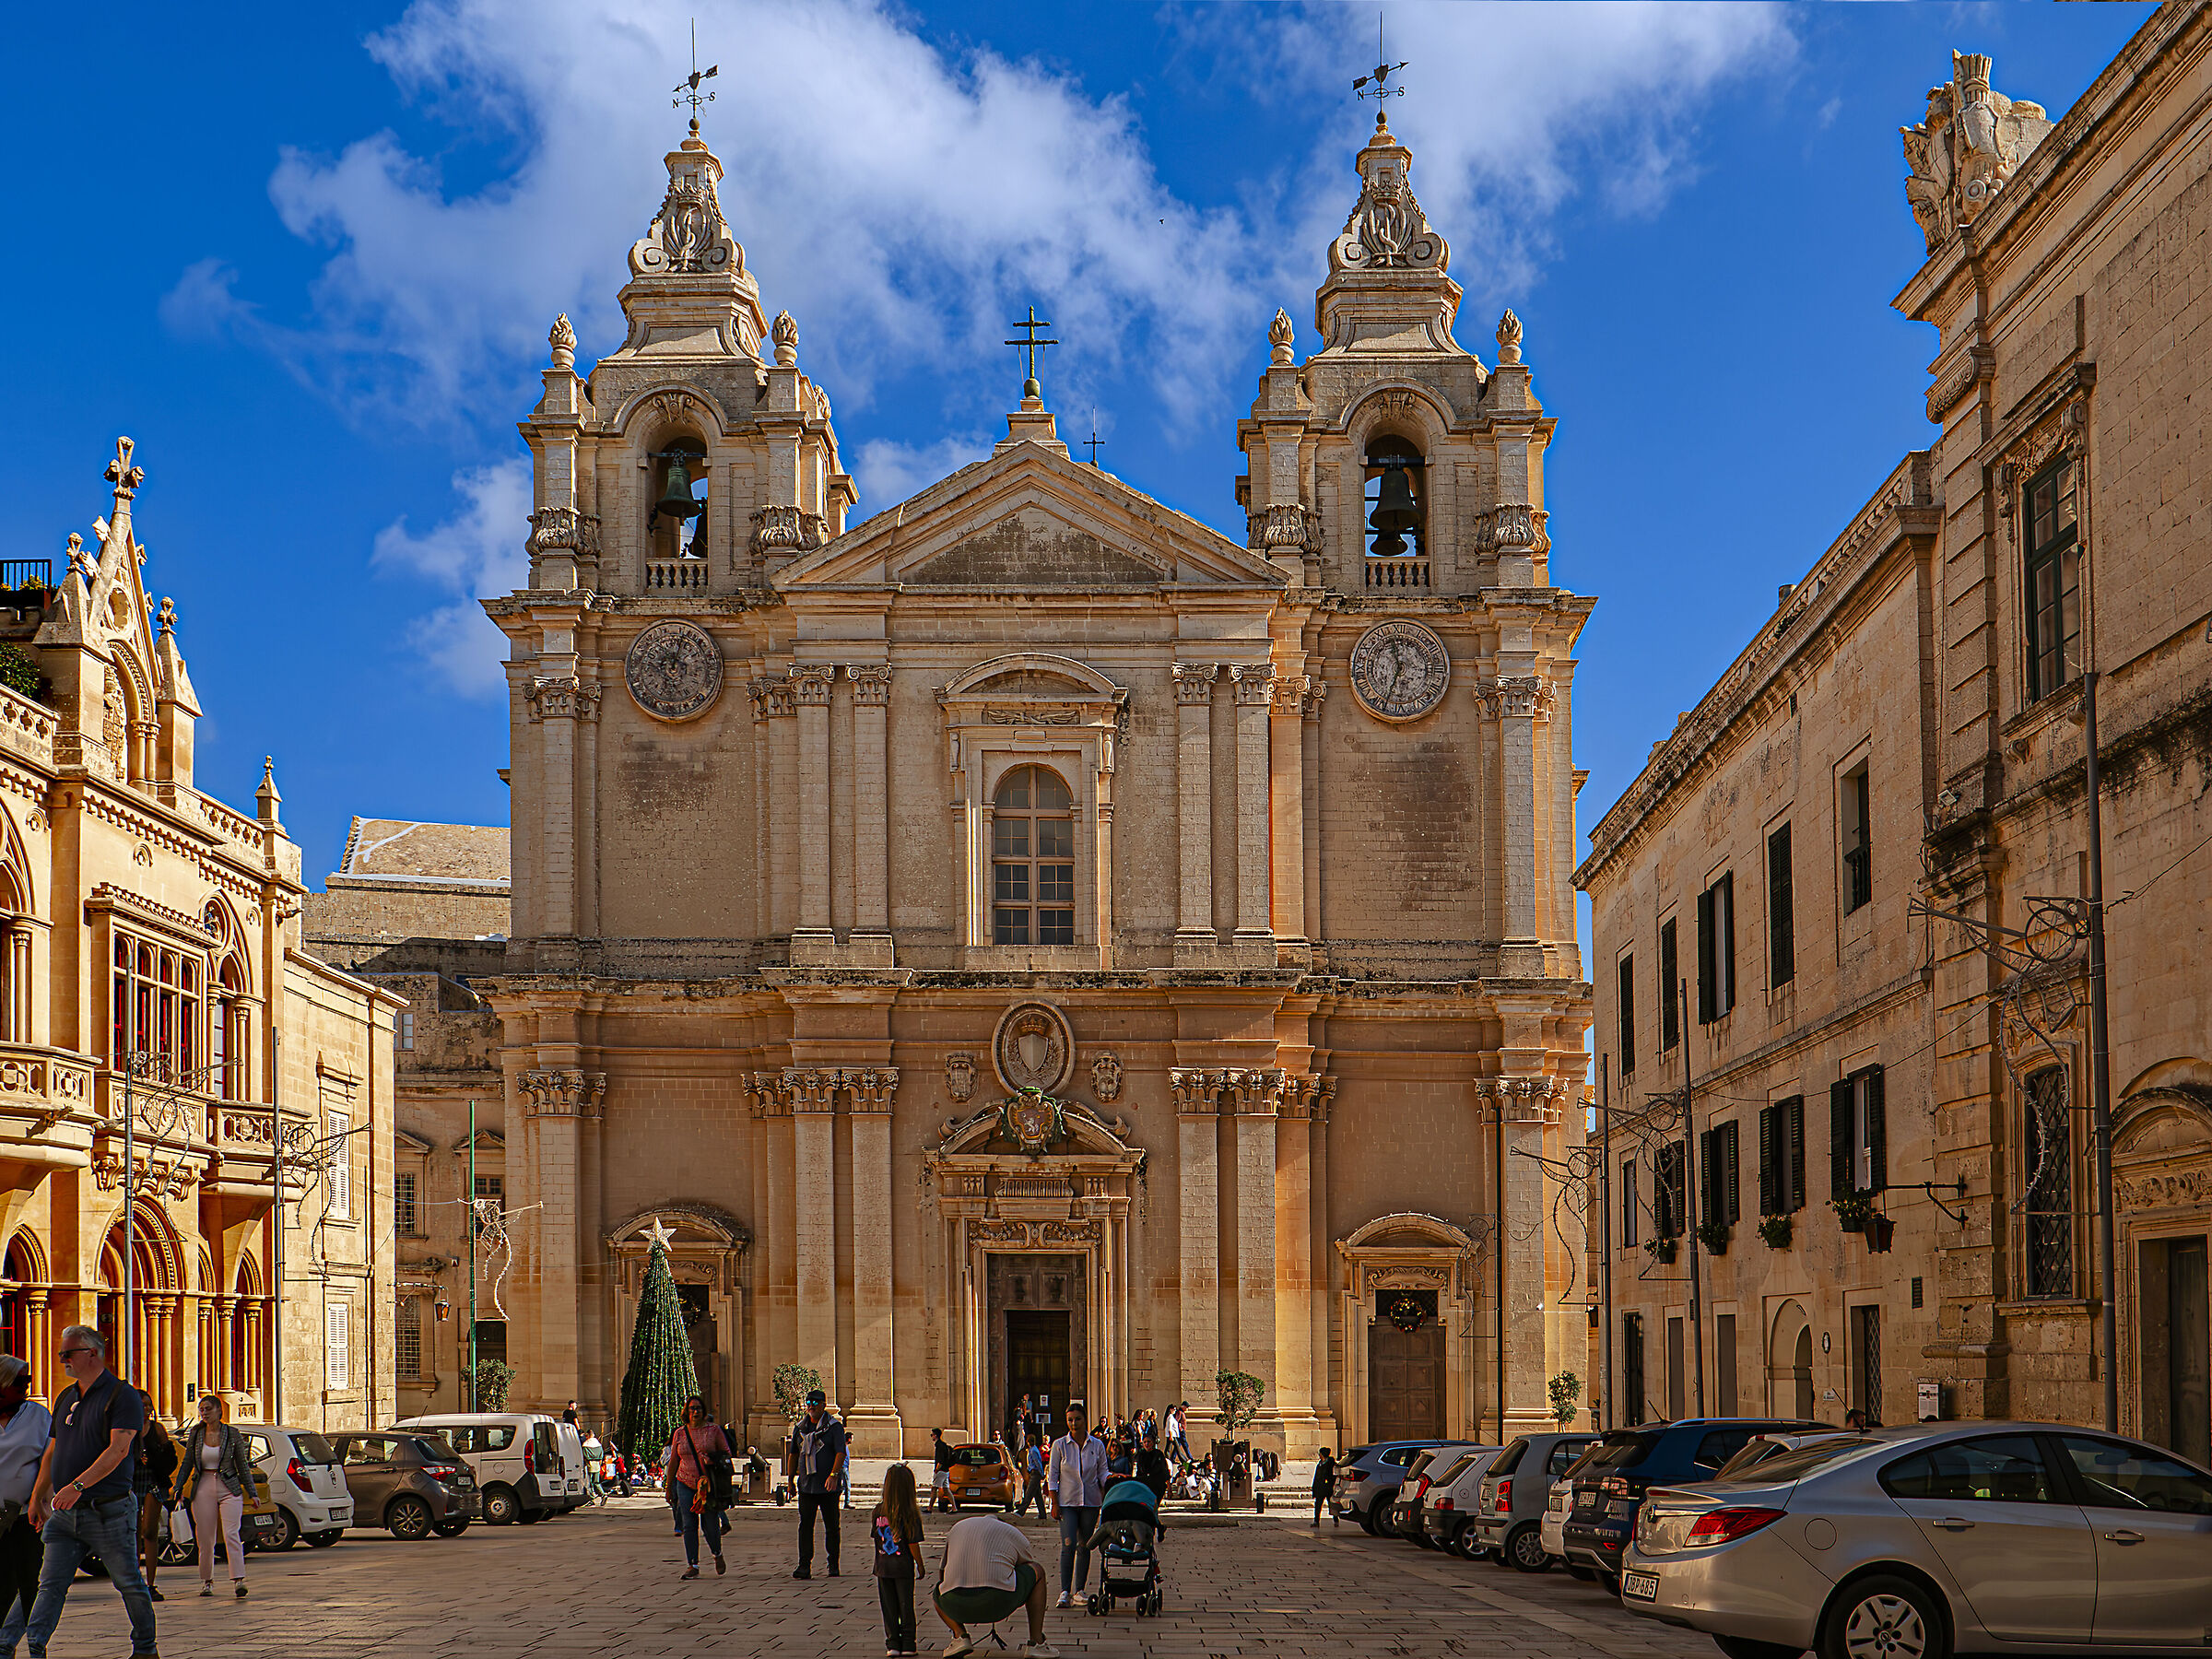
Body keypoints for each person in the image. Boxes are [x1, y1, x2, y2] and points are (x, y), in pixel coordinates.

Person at [20, 1325, 157, 1659]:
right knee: (50, 1585)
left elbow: (118, 1450)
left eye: (68, 1353)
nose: (62, 1359)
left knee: (129, 1584)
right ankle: (35, 1648)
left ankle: (145, 1649)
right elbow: (52, 1450)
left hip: (108, 1511)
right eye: (61, 1353)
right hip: (66, 1514)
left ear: (92, 1353)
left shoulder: (121, 1396)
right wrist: (39, 1496)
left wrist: (76, 1486)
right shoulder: (66, 1396)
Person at [933, 1510, 1057, 1659]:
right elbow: (1027, 1564)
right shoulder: (1012, 1532)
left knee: (938, 1591)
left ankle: (959, 1636)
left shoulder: (957, 1527)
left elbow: (942, 1572)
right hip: (999, 1602)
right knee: (1038, 1571)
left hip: (954, 1605)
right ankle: (1037, 1643)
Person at [176, 1392, 254, 1599]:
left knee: (231, 1533)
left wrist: (252, 1492)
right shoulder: (196, 1433)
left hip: (228, 1486)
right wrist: (178, 1486)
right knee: (205, 1537)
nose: (204, 1413)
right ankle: (207, 1581)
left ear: (219, 1411)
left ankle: (239, 1580)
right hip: (203, 1486)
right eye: (201, 1409)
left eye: (208, 1409)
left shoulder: (232, 1434)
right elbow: (188, 1462)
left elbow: (242, 1465)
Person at [0, 1356, 51, 1659]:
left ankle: (36, 1645)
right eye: (20, 1382)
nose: (26, 1388)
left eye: (27, 1382)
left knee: (31, 1583)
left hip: (26, 1516)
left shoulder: (38, 1416)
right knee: (2, 1585)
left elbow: (50, 1460)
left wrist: (41, 1499)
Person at [1045, 1402, 1107, 1609]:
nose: (1074, 1423)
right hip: (1067, 1503)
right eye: (1070, 1420)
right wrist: (1054, 1503)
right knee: (1068, 1544)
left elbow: (1102, 1473)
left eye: (1077, 1419)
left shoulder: (1097, 1445)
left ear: (1085, 1420)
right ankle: (1064, 1591)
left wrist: (1114, 1481)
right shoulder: (1059, 1445)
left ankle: (1079, 1590)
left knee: (1085, 1545)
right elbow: (1052, 1476)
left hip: (1090, 1502)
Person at [666, 1394, 732, 1580]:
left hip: (707, 1485)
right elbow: (673, 1461)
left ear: (703, 1412)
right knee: (689, 1524)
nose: (695, 1412)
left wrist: (712, 1459)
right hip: (684, 1482)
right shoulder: (680, 1433)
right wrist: (669, 1486)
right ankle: (692, 1564)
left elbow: (726, 1454)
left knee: (710, 1526)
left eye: (698, 1408)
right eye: (692, 1408)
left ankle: (717, 1553)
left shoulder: (714, 1431)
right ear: (686, 1412)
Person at [788, 1388, 846, 1579]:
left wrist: (834, 1474)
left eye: (815, 1403)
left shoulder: (834, 1427)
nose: (811, 1407)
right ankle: (804, 1565)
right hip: (807, 1485)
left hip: (828, 1486)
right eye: (809, 1403)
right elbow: (793, 1455)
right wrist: (790, 1481)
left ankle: (833, 1563)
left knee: (831, 1526)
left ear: (823, 1405)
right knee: (805, 1526)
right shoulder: (801, 1428)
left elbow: (840, 1452)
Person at [871, 1462, 924, 1656]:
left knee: (889, 1607)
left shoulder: (878, 1511)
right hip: (903, 1567)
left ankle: (893, 1644)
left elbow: (876, 1537)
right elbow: (913, 1544)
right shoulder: (910, 1513)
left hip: (883, 1566)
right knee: (905, 1605)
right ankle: (909, 1644)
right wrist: (920, 1563)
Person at [133, 1395, 177, 1603]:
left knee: (149, 1531)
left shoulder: (157, 1429)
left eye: (149, 1405)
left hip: (153, 1481)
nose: (147, 1409)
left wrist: (154, 1459)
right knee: (132, 1532)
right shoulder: (126, 1428)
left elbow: (171, 1459)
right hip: (132, 1482)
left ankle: (150, 1583)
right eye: (142, 1405)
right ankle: (135, 1581)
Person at [1134, 1434, 1170, 1505]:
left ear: (1153, 1442)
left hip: (1157, 1484)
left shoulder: (1158, 1454)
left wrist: (1169, 1486)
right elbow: (1139, 1471)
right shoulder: (1141, 1454)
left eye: (1148, 1442)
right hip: (1144, 1483)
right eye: (1144, 1442)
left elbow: (1164, 1469)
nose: (1146, 1444)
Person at [1017, 1436, 1046, 1519]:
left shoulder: (1033, 1451)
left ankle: (1021, 1511)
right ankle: (1042, 1514)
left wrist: (1041, 1473)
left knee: (1029, 1493)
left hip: (1035, 1473)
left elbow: (1037, 1463)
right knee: (1038, 1495)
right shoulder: (1034, 1449)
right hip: (1034, 1473)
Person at [930, 1428, 955, 1513]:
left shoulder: (939, 1446)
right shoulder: (943, 1445)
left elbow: (940, 1460)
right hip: (946, 1470)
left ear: (935, 1435)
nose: (931, 1437)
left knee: (934, 1489)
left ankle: (929, 1508)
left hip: (940, 1471)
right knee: (946, 1490)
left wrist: (936, 1470)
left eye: (932, 1435)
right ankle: (954, 1508)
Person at [1312, 1447, 1336, 1526]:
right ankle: (1316, 1521)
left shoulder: (1331, 1464)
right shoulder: (1320, 1464)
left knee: (1331, 1504)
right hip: (1320, 1488)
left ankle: (1336, 1519)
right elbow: (1316, 1477)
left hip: (1328, 1488)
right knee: (1318, 1505)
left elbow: (1333, 1476)